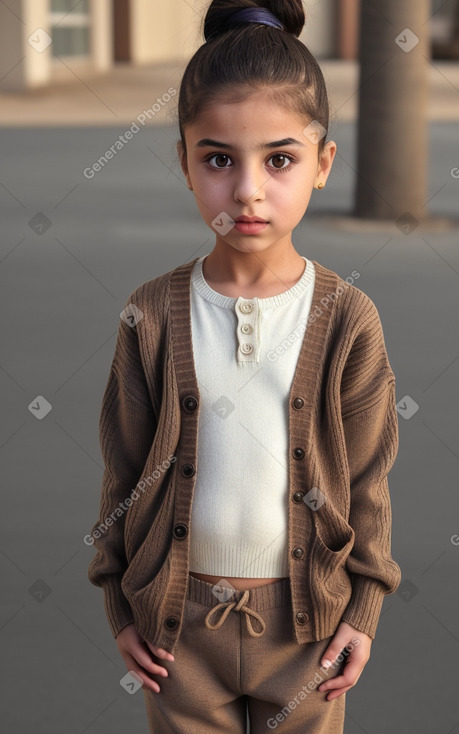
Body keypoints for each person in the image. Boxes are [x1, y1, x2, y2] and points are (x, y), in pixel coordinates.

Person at [87, 2, 402, 732]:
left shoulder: (348, 318)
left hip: (309, 632)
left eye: (279, 159)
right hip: (175, 632)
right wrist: (117, 605)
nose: (248, 190)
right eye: (218, 158)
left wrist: (363, 609)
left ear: (323, 164)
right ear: (186, 162)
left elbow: (366, 482)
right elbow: (122, 473)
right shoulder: (148, 313)